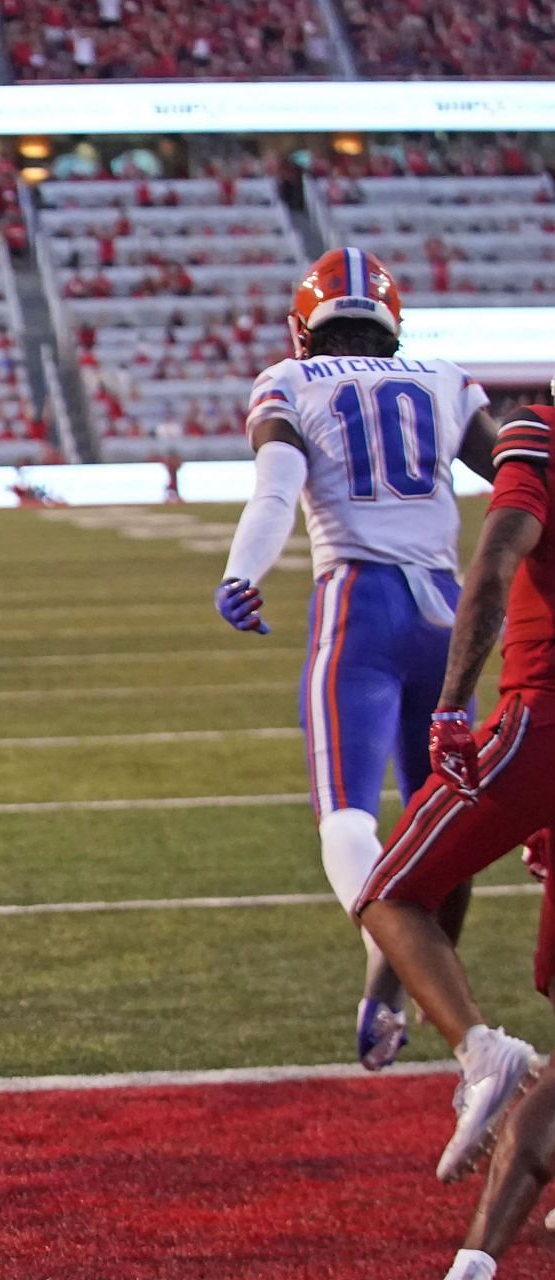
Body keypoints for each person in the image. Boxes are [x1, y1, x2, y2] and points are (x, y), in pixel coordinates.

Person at [218, 248, 499, 1072]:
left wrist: (242, 572)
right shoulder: (443, 377)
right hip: (450, 617)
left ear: (303, 328)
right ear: (393, 324)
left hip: (361, 606)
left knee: (347, 816)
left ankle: (397, 970)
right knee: (442, 821)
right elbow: (519, 478)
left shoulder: (290, 380)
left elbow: (275, 487)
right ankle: (396, 987)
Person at [355, 401, 555, 1201]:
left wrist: (449, 707)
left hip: (543, 718)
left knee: (389, 894)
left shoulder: (538, 433)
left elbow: (498, 562)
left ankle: (482, 1051)